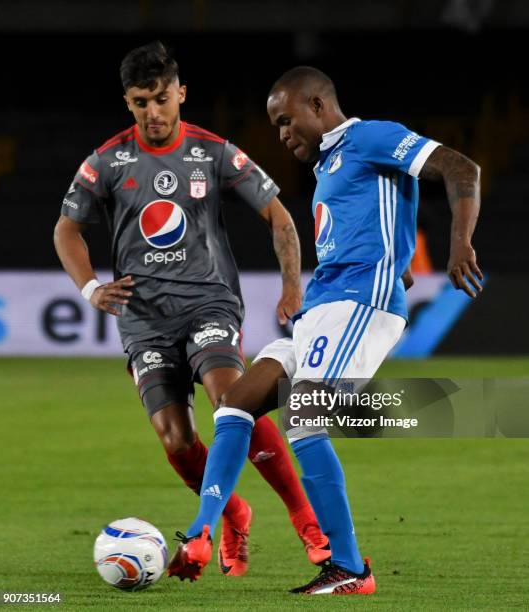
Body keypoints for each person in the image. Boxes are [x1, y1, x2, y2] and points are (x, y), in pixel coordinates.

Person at [168, 66, 483, 595]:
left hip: (360, 304)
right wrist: (396, 256)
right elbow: (372, 222)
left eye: (287, 120)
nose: (283, 134)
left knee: (304, 415)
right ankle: (201, 531)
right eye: (276, 127)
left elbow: (461, 167)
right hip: (321, 310)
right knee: (235, 404)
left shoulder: (369, 136)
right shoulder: (330, 166)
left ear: (318, 105)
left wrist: (459, 243)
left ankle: (351, 568)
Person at [53, 45, 331, 578]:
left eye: (161, 99)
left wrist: (292, 288)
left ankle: (307, 523)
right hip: (143, 320)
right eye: (140, 103)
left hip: (209, 303)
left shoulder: (214, 152)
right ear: (128, 103)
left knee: (233, 400)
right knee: (177, 440)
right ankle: (233, 512)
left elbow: (280, 219)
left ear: (180, 93)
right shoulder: (107, 161)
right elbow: (66, 228)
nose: (153, 113)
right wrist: (90, 288)